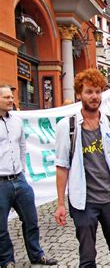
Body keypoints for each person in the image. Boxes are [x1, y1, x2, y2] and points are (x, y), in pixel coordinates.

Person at [54, 69, 110, 267]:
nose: (94, 97)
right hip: (83, 202)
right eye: (89, 92)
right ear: (79, 94)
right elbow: (62, 166)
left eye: (98, 92)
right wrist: (60, 203)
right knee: (87, 256)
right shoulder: (68, 126)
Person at [0, 85, 57, 267]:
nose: (11, 100)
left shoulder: (16, 121)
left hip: (19, 178)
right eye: (7, 97)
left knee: (31, 220)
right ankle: (7, 260)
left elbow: (23, 146)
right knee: (1, 227)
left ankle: (36, 254)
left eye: (11, 96)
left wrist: (23, 169)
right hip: (1, 182)